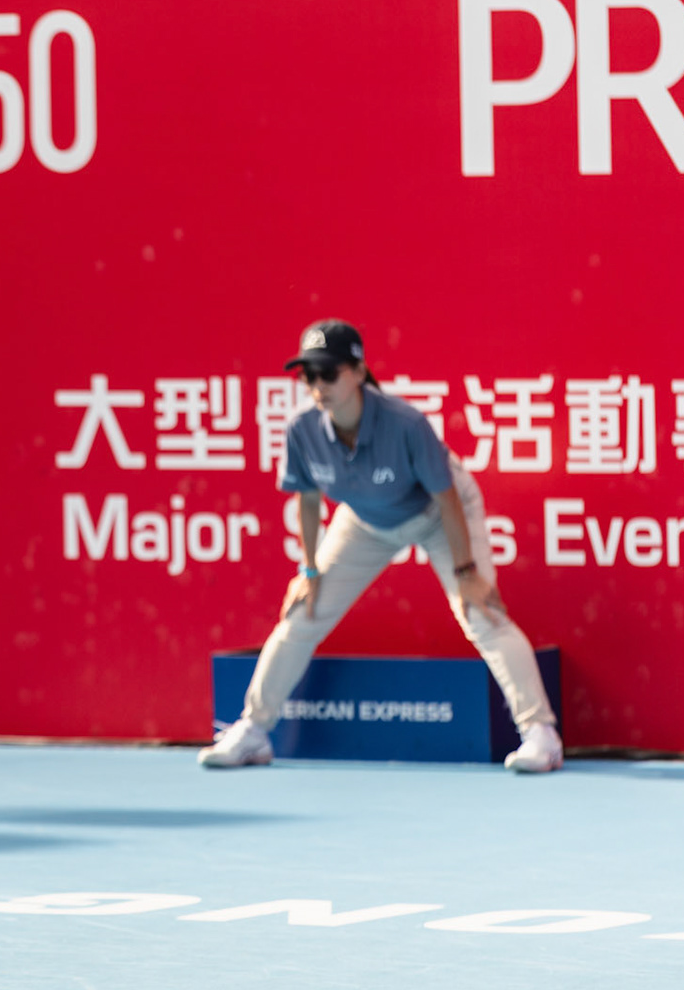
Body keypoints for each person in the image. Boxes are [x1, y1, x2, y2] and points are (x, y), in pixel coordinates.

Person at [200, 320, 564, 773]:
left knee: (481, 613)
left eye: (328, 373)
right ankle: (253, 731)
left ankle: (540, 734)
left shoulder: (406, 424)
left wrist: (467, 573)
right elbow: (308, 499)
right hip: (364, 519)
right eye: (308, 376)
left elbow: (447, 498)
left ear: (357, 371)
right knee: (302, 612)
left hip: (437, 515)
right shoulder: (302, 430)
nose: (317, 386)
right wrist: (308, 570)